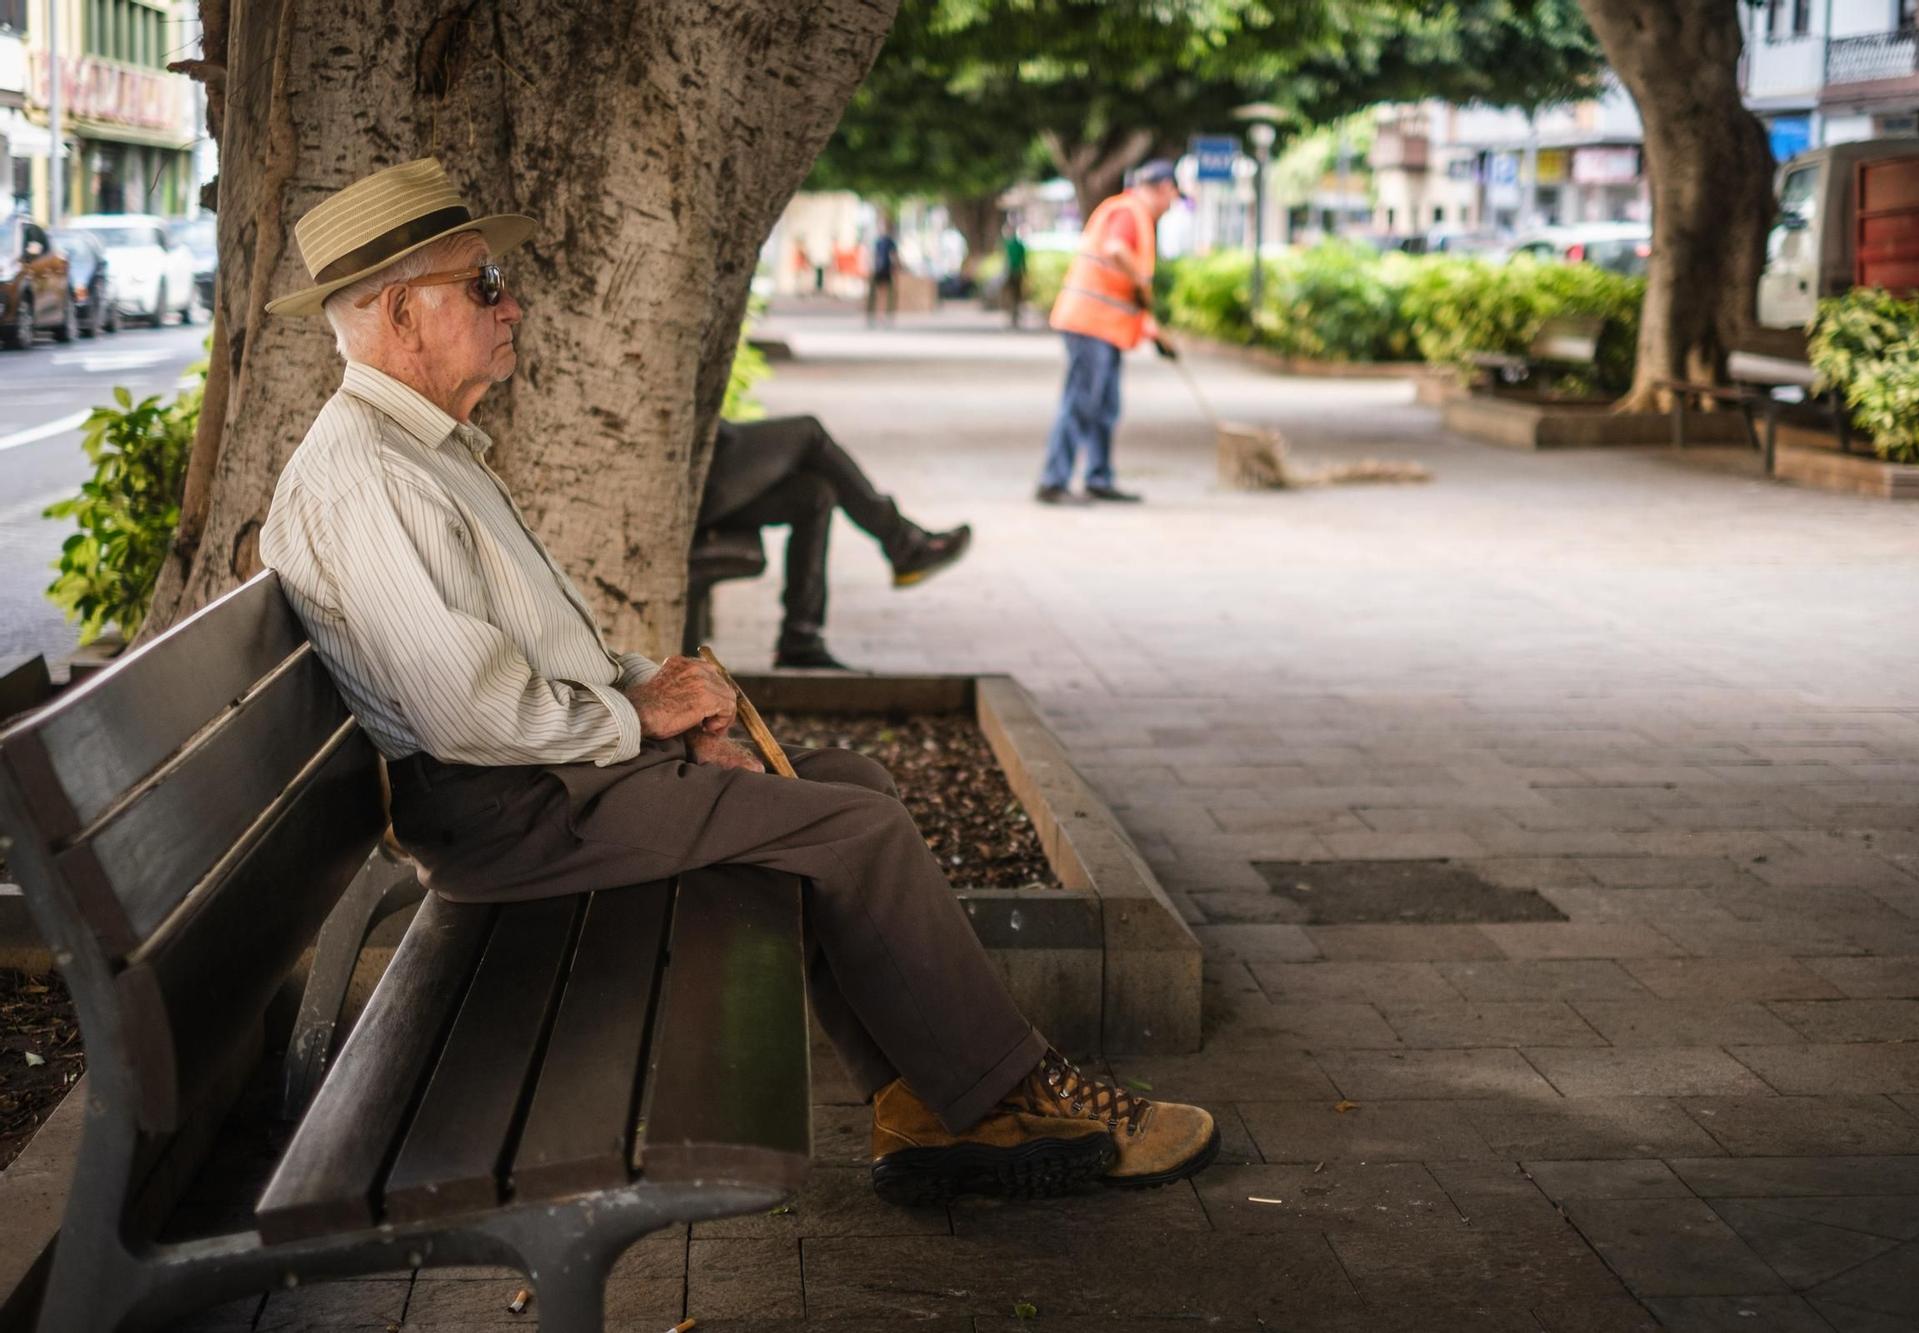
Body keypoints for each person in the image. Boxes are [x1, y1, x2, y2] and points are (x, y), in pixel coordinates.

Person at [257, 158, 1218, 1206]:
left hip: (541, 782)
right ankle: (1013, 1091)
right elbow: (474, 711)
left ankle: (921, 1102)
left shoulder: (419, 449)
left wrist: (656, 696)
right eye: (483, 283)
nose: (512, 302)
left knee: (851, 782)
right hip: (516, 814)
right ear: (402, 314)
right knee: (854, 834)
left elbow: (532, 655)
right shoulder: (370, 478)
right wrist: (640, 719)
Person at [701, 414, 972, 670]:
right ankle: (905, 544)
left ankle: (801, 640)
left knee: (816, 495)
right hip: (699, 482)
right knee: (809, 433)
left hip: (708, 463)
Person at [1035, 159, 1183, 506]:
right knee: (1081, 403)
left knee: (1105, 406)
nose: (1171, 204)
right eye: (1173, 195)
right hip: (1090, 325)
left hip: (1107, 328)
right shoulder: (1129, 212)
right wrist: (1142, 280)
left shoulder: (1133, 214)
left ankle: (1099, 478)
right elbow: (1116, 252)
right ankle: (1053, 482)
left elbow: (1130, 299)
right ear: (1164, 188)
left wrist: (1158, 337)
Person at [865, 225, 898, 325]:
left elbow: (875, 256)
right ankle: (880, 314)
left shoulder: (881, 242)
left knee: (881, 293)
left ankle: (880, 314)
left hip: (881, 269)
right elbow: (893, 256)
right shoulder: (886, 242)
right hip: (884, 269)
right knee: (883, 293)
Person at [1002, 223, 1029, 330]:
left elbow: (1007, 261)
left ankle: (1014, 315)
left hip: (1012, 273)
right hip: (1016, 273)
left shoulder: (1010, 245)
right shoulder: (1017, 245)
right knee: (1016, 295)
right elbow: (1023, 261)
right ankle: (1014, 315)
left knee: (1013, 295)